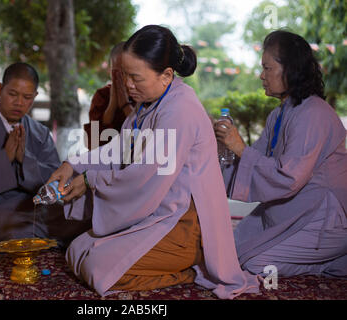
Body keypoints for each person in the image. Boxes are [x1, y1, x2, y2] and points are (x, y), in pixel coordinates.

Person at [46, 25, 259, 299]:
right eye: (125, 76)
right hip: (155, 212)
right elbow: (119, 147)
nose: (127, 86)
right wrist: (72, 164)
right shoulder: (149, 104)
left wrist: (89, 180)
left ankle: (192, 268)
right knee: (77, 250)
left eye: (136, 78)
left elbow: (141, 177)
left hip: (183, 222)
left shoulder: (180, 109)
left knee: (97, 266)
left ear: (166, 75)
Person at [215, 30, 347, 278]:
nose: (261, 76)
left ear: (290, 69)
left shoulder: (314, 113)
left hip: (324, 218)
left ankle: (334, 261)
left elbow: (288, 178)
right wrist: (220, 153)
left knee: (255, 264)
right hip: (289, 208)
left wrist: (240, 148)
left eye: (267, 68)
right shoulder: (279, 114)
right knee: (227, 251)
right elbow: (252, 163)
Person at [0, 62, 90, 245]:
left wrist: (25, 160)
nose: (19, 102)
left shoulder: (39, 132)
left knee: (81, 219)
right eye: (12, 94)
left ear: (35, 97)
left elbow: (54, 182)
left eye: (27, 97)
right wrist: (4, 158)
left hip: (33, 207)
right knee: (21, 231)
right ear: (0, 89)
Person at [83, 42, 134, 149]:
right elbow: (93, 144)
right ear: (110, 71)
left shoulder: (144, 94)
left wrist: (125, 104)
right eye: (117, 73)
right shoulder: (102, 95)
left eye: (126, 72)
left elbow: (145, 133)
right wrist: (112, 103)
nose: (121, 78)